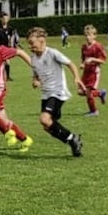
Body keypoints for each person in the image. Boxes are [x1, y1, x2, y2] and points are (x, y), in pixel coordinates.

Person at [24, 27, 84, 157]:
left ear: (42, 40)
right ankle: (72, 140)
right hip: (46, 94)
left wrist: (76, 77)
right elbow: (35, 73)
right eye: (29, 44)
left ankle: (72, 139)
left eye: (32, 43)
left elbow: (70, 63)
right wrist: (35, 80)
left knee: (44, 119)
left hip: (57, 92)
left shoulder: (52, 53)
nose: (30, 46)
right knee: (48, 127)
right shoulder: (33, 58)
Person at [78, 24, 108, 117]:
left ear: (94, 36)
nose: (87, 37)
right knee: (80, 92)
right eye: (86, 35)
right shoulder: (84, 46)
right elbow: (84, 58)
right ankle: (100, 93)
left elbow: (103, 60)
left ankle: (94, 111)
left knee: (88, 92)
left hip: (94, 72)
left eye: (90, 35)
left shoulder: (98, 46)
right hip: (86, 72)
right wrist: (82, 64)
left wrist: (93, 59)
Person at [0, 13, 17, 81]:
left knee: (7, 61)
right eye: (3, 19)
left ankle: (8, 77)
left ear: (8, 19)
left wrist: (12, 45)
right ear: (1, 19)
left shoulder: (10, 29)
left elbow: (12, 38)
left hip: (6, 47)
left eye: (6, 19)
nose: (5, 20)